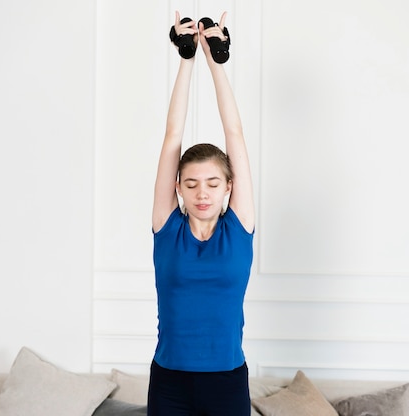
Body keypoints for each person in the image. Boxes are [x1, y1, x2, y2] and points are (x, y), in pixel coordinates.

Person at [148, 10, 255, 416]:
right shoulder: (167, 226)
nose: (202, 193)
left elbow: (235, 136)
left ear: (229, 186)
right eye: (191, 184)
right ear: (178, 188)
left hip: (226, 382)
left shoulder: (239, 228)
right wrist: (186, 57)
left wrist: (217, 61)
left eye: (212, 183)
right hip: (169, 382)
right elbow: (173, 133)